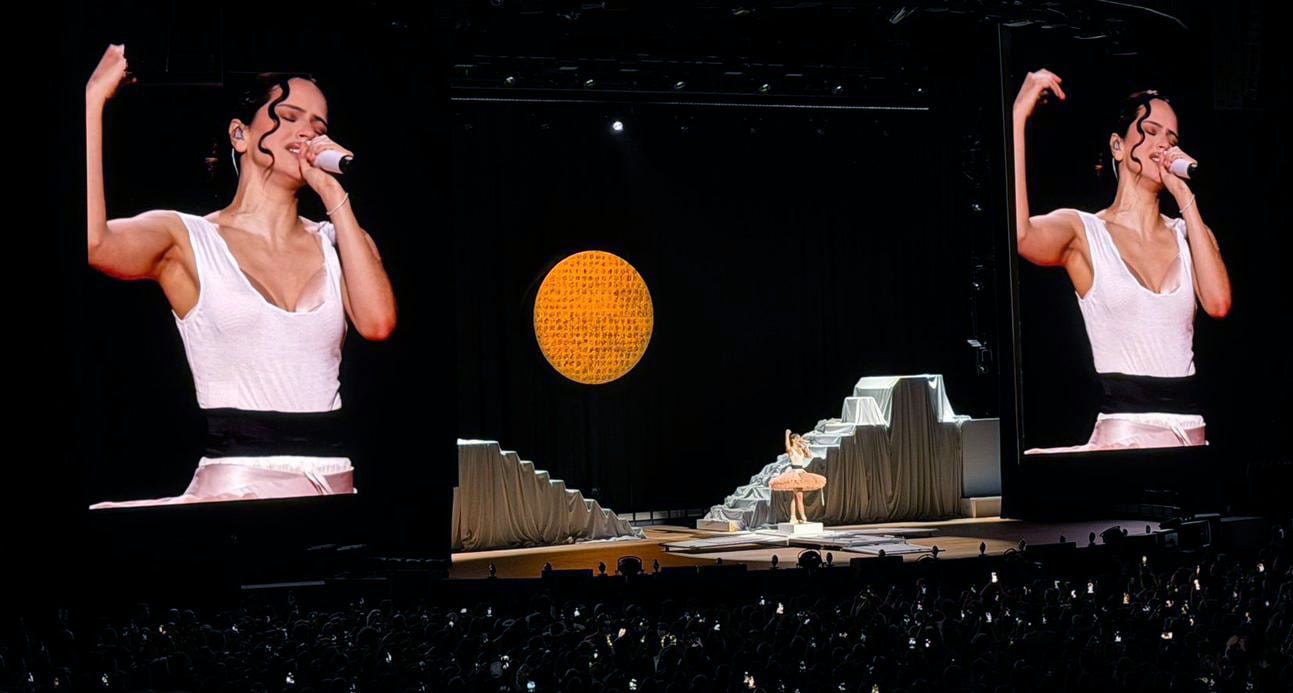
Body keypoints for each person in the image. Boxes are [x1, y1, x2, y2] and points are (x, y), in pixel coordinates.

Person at [85, 44, 397, 507]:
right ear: (240, 135)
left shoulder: (339, 239)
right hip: (236, 492)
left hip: (332, 487)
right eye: (288, 117)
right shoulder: (186, 237)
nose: (307, 133)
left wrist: (333, 191)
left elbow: (377, 323)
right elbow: (95, 244)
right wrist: (91, 103)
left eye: (319, 126)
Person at [1013, 69, 1231, 453]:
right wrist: (1016, 119)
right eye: (1149, 130)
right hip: (1124, 439)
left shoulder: (1188, 233)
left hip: (1191, 437)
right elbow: (1022, 236)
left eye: (1172, 137)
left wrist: (1184, 196)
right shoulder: (1084, 231)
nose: (1163, 144)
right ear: (1118, 146)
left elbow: (1217, 303)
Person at [769, 429, 827, 524]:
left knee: (796, 496)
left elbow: (809, 456)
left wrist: (806, 447)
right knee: (799, 496)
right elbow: (787, 446)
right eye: (798, 438)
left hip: (801, 472)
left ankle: (793, 517)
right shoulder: (791, 450)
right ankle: (802, 516)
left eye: (800, 438)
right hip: (794, 473)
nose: (800, 439)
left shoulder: (800, 450)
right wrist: (787, 435)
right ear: (793, 440)